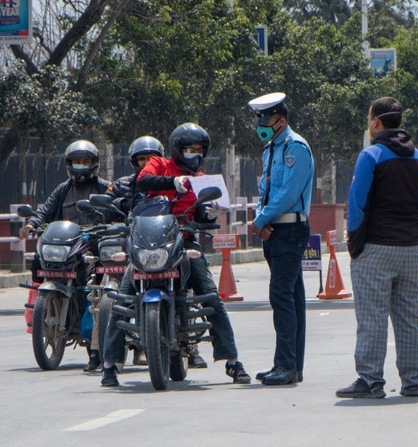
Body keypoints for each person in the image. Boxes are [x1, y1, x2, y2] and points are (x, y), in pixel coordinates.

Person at [101, 123, 250, 386]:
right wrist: (174, 182)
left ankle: (232, 362)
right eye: (188, 148)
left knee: (211, 297)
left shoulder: (203, 180)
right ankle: (110, 365)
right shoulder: (158, 164)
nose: (193, 153)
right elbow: (143, 181)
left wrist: (209, 212)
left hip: (185, 242)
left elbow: (202, 215)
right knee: (122, 299)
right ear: (176, 150)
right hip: (148, 242)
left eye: (198, 149)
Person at [336, 97, 418, 399]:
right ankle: (413, 382)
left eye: (369, 118)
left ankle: (370, 380)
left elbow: (357, 205)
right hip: (410, 250)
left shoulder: (371, 156)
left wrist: (355, 246)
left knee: (372, 316)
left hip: (376, 248)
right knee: (410, 317)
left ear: (377, 121)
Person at [18, 140, 113, 371]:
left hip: (95, 248)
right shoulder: (63, 189)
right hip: (67, 248)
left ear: (94, 163)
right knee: (41, 259)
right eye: (76, 162)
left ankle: (95, 351)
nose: (81, 166)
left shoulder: (106, 188)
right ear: (69, 164)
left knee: (96, 294)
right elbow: (45, 211)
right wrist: (32, 224)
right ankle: (48, 303)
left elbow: (119, 209)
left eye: (86, 161)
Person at [249, 92, 314, 386]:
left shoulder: (295, 148)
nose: (262, 125)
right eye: (260, 120)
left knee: (281, 297)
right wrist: (261, 217)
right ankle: (291, 365)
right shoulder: (270, 149)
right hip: (274, 230)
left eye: (267, 120)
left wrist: (262, 219)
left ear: (282, 120)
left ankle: (286, 366)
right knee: (293, 298)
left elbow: (288, 193)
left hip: (289, 230)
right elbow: (265, 188)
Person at [102, 136, 166, 368]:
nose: (146, 162)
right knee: (120, 303)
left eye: (151, 158)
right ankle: (110, 363)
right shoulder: (122, 185)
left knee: (192, 287)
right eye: (141, 159)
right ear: (134, 161)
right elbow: (106, 209)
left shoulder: (169, 181)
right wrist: (113, 208)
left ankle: (192, 348)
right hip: (135, 249)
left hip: (164, 247)